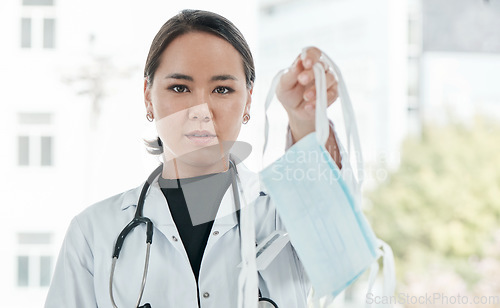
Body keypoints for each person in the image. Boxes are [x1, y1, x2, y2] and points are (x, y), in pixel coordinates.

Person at [45, 9, 345, 308]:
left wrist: (305, 121)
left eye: (222, 89)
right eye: (180, 88)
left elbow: (340, 253)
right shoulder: (93, 233)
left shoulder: (285, 213)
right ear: (148, 96)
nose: (201, 109)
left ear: (249, 99)